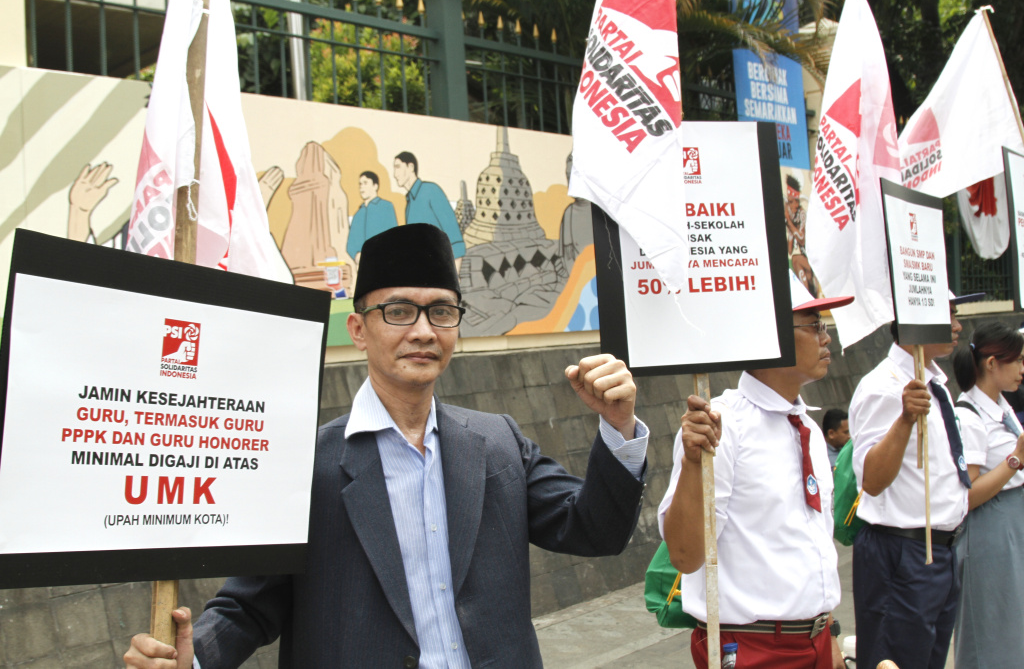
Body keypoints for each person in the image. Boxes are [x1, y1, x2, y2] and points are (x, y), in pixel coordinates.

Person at [123, 223, 649, 669]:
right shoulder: (309, 465)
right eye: (399, 311)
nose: (423, 331)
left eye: (441, 312)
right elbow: (251, 607)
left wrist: (618, 426)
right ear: (358, 328)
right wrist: (189, 659)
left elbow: (593, 529)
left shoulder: (497, 443)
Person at [659, 272, 850, 669]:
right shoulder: (720, 427)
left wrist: (826, 631)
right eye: (814, 325)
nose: (826, 337)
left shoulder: (811, 430)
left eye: (824, 326)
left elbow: (811, 548)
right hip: (751, 647)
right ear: (771, 333)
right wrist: (695, 464)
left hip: (816, 640)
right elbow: (684, 554)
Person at [848, 291, 982, 669]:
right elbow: (872, 480)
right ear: (913, 320)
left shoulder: (934, 383)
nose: (957, 326)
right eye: (948, 315)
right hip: (903, 552)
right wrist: (905, 420)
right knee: (897, 661)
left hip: (940, 549)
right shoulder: (884, 386)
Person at [949, 322, 1024, 669]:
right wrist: (1015, 460)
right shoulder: (969, 415)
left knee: (1013, 628)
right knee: (991, 631)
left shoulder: (1001, 406)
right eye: (1018, 360)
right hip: (990, 528)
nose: (1023, 369)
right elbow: (967, 495)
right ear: (992, 363)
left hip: (1012, 521)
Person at [393, 152, 466, 261]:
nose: (395, 174)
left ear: (411, 167)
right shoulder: (409, 204)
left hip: (440, 270)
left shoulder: (431, 191)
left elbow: (455, 241)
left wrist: (453, 277)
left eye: (398, 167)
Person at [346, 170, 397, 262]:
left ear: (375, 186)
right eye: (360, 184)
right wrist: (357, 256)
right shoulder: (358, 214)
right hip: (363, 265)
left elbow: (394, 235)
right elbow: (350, 244)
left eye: (365, 183)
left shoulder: (386, 206)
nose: (361, 187)